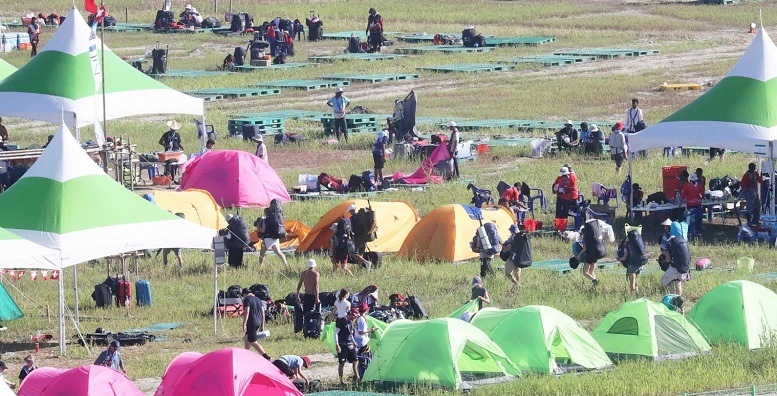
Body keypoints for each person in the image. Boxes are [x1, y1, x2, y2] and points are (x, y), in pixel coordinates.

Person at [257, 199, 290, 269]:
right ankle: (286, 265)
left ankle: (260, 266)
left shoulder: (265, 221)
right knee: (278, 252)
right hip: (276, 236)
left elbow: (262, 231)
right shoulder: (278, 217)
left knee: (263, 253)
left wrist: (258, 226)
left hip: (268, 238)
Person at [242, 288, 271, 360]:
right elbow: (262, 312)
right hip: (258, 322)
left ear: (245, 294)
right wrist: (262, 324)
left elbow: (247, 312)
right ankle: (246, 354)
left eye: (243, 296)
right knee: (247, 337)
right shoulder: (258, 299)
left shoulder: (247, 299)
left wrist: (244, 323)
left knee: (253, 341)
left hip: (251, 322)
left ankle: (266, 357)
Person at [334, 309, 359, 385]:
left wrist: (354, 342)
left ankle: (357, 378)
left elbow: (350, 333)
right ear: (350, 314)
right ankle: (341, 381)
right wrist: (337, 344)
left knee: (355, 361)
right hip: (342, 345)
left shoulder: (351, 322)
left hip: (350, 344)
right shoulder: (341, 321)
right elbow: (335, 333)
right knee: (342, 363)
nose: (355, 318)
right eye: (354, 316)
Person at [681, 173, 704, 239]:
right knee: (698, 219)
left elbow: (682, 196)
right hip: (698, 204)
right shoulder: (699, 186)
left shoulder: (687, 186)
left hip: (690, 205)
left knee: (690, 220)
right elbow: (702, 194)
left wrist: (681, 202)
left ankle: (690, 232)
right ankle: (698, 231)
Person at [740, 162, 764, 227]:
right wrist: (747, 189)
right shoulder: (746, 175)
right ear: (750, 168)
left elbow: (759, 180)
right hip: (749, 194)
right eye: (752, 168)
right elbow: (742, 184)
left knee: (757, 206)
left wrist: (763, 183)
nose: (753, 169)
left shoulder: (755, 174)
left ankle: (756, 221)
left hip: (755, 193)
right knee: (749, 208)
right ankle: (749, 222)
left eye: (754, 168)